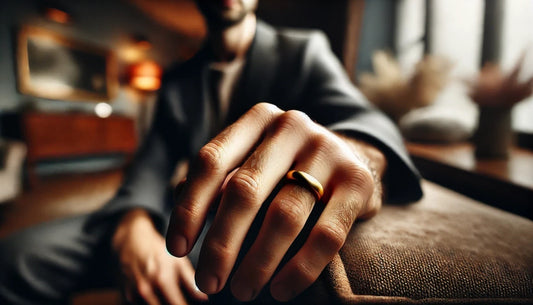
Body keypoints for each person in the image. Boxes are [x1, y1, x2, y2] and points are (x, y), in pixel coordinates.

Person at [0, 0, 422, 304]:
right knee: (14, 258)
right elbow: (151, 163)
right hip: (167, 212)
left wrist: (359, 155)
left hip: (241, 228)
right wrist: (132, 224)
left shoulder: (302, 50)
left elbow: (367, 121)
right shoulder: (178, 78)